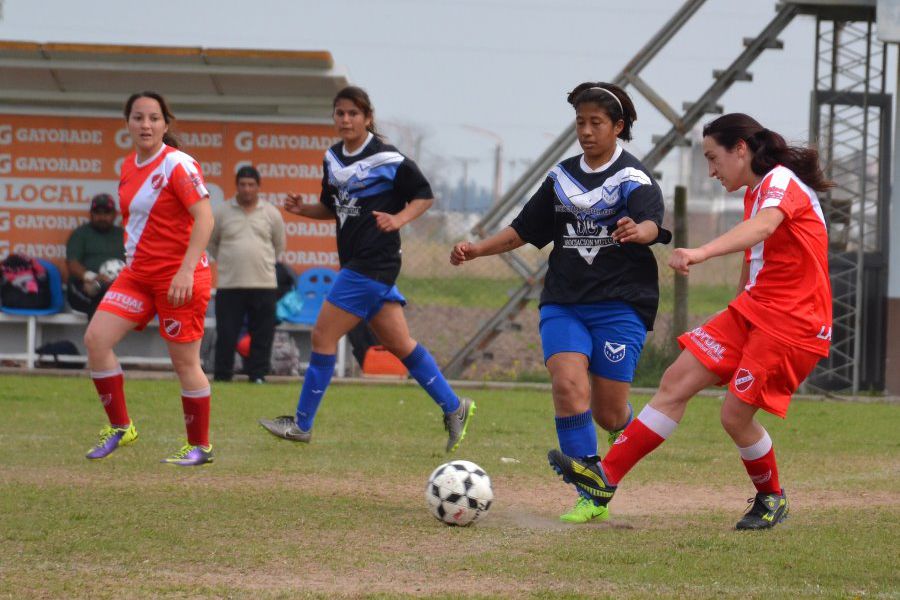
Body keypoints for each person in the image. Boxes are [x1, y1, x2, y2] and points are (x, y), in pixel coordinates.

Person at [547, 113, 833, 530]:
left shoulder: (780, 183)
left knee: (734, 417)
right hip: (755, 311)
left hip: (794, 322)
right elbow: (756, 256)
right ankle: (602, 480)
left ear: (741, 149)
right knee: (676, 380)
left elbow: (761, 230)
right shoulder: (757, 192)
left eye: (713, 159)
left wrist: (699, 252)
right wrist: (735, 310)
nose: (712, 171)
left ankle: (771, 498)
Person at [451, 82, 671, 523]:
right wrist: (478, 248)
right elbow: (523, 231)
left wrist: (638, 231)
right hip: (564, 301)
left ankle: (622, 429)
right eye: (580, 123)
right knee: (568, 387)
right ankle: (590, 493)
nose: (586, 131)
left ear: (618, 126)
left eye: (596, 123)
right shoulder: (561, 177)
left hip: (620, 304)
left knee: (609, 412)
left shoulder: (633, 178)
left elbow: (651, 223)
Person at [259, 85, 475, 452]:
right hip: (359, 264)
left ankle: (301, 424)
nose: (346, 119)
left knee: (322, 338)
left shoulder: (388, 159)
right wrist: (303, 210)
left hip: (373, 263)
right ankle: (454, 407)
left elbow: (424, 196)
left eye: (353, 114)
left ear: (368, 117)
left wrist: (399, 218)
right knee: (399, 344)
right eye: (340, 113)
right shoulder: (332, 158)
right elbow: (333, 207)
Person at [82, 90, 216, 467]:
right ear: (127, 123)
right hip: (138, 275)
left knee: (185, 364)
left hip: (180, 279)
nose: (146, 125)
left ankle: (200, 447)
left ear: (165, 124)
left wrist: (186, 269)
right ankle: (122, 427)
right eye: (138, 117)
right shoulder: (128, 165)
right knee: (96, 340)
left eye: (154, 118)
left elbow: (206, 219)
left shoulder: (178, 165)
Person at [208, 165, 286, 383]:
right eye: (242, 184)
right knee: (227, 333)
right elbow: (212, 243)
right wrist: (229, 259)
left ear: (258, 187)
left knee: (262, 334)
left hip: (264, 283)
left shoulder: (271, 213)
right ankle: (223, 375)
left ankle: (258, 375)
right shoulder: (222, 211)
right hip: (230, 284)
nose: (247, 189)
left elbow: (278, 245)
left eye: (251, 185)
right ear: (237, 186)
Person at [65, 193, 125, 319]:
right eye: (98, 213)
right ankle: (97, 338)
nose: (102, 217)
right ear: (91, 214)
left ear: (115, 214)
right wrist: (92, 277)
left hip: (117, 287)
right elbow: (72, 264)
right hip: (84, 287)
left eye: (106, 213)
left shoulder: (123, 235)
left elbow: (135, 262)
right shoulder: (81, 234)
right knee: (98, 294)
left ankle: (100, 337)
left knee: (107, 296)